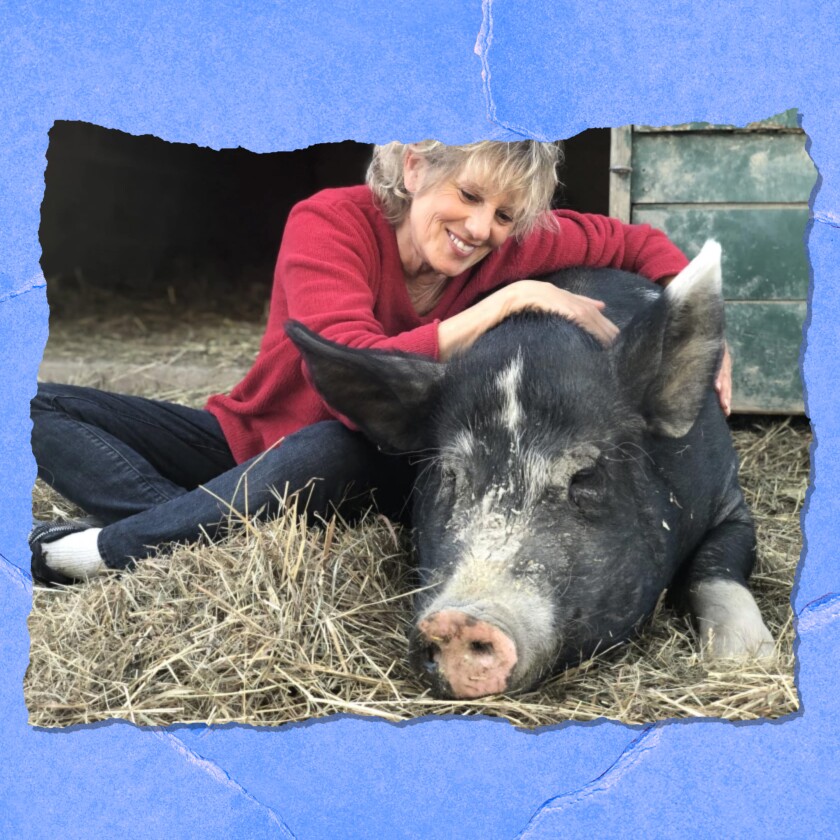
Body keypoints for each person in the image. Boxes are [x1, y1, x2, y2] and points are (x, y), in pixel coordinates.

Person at [30, 139, 730, 585]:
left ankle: (113, 550)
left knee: (330, 448)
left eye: (508, 215)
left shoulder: (507, 243)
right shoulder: (330, 222)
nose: (484, 229)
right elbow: (349, 366)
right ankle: (186, 529)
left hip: (375, 458)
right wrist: (498, 304)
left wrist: (703, 339)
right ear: (417, 165)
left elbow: (639, 244)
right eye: (470, 195)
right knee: (37, 406)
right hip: (248, 438)